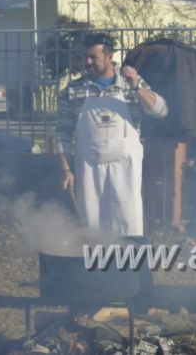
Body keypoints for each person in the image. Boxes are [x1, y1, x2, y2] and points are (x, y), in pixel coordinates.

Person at [54, 32, 168, 237]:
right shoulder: (73, 90)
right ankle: (96, 266)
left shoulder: (130, 85)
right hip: (89, 170)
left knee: (128, 225)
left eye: (94, 57)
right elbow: (61, 133)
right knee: (93, 229)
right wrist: (66, 170)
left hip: (126, 169)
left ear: (109, 58)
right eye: (85, 57)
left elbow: (161, 111)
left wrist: (136, 86)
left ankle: (129, 266)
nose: (88, 62)